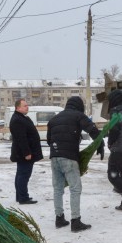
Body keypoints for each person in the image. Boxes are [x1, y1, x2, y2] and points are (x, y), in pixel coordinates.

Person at [47, 96, 104, 232]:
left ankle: (59, 218)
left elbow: (49, 140)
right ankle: (75, 221)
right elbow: (92, 130)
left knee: (58, 189)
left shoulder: (54, 119)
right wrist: (100, 144)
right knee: (75, 188)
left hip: (54, 157)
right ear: (79, 106)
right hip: (69, 158)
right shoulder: (78, 115)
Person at [9, 99, 43, 204]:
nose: (27, 107)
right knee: (23, 175)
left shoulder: (21, 118)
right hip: (24, 154)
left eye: (27, 105)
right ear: (17, 108)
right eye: (24, 106)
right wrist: (27, 153)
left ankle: (20, 196)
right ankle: (23, 197)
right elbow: (21, 139)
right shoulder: (17, 120)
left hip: (23, 153)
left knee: (21, 174)